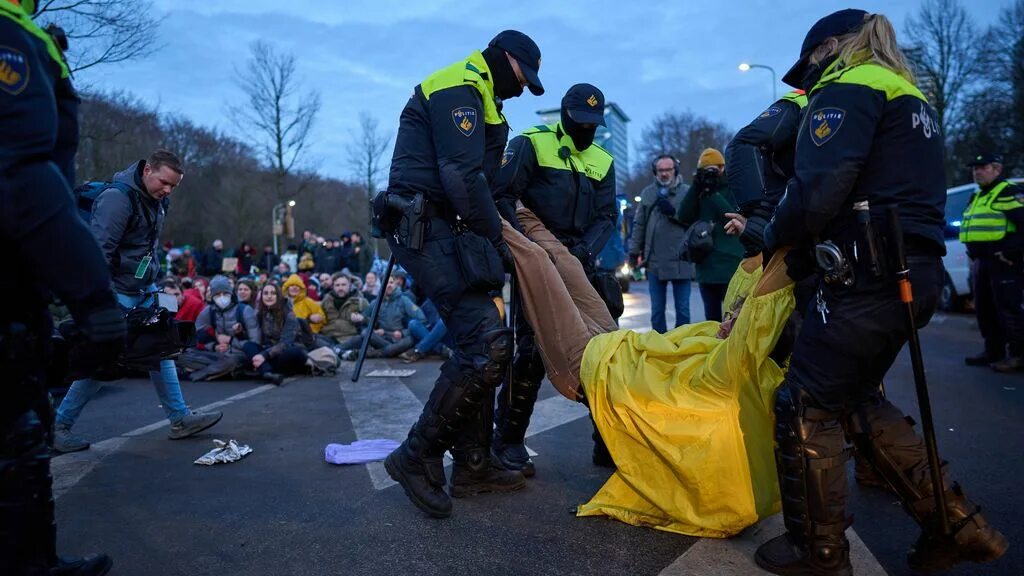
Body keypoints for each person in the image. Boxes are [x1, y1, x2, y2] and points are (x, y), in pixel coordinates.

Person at [750, 10, 1006, 575]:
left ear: (833, 47)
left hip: (861, 275)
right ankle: (959, 526)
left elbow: (817, 190)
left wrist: (772, 234)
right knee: (858, 401)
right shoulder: (911, 98)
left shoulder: (847, 88)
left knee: (804, 403)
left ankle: (817, 550)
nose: (808, 78)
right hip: (912, 273)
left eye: (811, 63)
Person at [500, 206, 795, 537]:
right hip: (613, 346)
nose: (727, 321)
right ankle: (520, 208)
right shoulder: (725, 339)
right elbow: (751, 283)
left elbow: (765, 300)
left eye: (735, 320)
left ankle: (486, 209)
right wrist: (754, 240)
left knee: (538, 264)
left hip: (586, 367)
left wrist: (794, 234)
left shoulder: (737, 365)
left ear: (755, 333)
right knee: (566, 262)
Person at [375, 29, 544, 518]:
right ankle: (415, 455)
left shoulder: (485, 97)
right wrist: (497, 239)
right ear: (506, 57)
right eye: (523, 76)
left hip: (450, 230)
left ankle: (472, 464)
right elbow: (460, 173)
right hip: (426, 228)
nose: (522, 86)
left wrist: (515, 233)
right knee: (486, 344)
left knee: (483, 344)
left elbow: (485, 182)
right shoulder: (459, 87)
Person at [1, 2, 126, 572]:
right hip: (10, 272)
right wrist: (92, 297)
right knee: (17, 438)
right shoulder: (12, 34)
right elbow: (21, 171)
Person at [53, 150, 223, 454]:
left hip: (142, 289)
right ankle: (58, 425)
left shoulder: (157, 201)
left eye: (174, 186)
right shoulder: (118, 200)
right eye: (164, 182)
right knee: (105, 362)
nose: (168, 190)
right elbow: (98, 253)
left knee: (161, 349)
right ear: (147, 170)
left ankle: (179, 417)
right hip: (116, 293)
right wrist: (103, 303)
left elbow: (145, 247)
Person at [491, 83, 619, 475]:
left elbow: (607, 215)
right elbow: (503, 197)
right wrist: (531, 251)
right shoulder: (531, 143)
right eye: (580, 123)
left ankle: (609, 439)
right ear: (564, 116)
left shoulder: (601, 159)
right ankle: (508, 438)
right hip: (540, 255)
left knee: (605, 348)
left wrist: (584, 253)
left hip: (581, 258)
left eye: (593, 125)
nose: (587, 131)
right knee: (530, 351)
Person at [959, 153, 1024, 372]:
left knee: (1008, 308)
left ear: (997, 169)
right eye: (975, 168)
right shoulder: (977, 196)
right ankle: (993, 351)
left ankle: (1018, 355)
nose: (977, 171)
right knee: (985, 310)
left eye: (982, 167)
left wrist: (1010, 253)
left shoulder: (1008, 191)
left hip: (1002, 263)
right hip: (981, 262)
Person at [724, 89, 808, 257]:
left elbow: (743, 144)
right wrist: (757, 218)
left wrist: (756, 215)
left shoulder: (807, 99)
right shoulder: (803, 100)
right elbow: (744, 145)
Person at [677, 148, 744, 322]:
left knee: (733, 318)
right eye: (706, 170)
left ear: (723, 169)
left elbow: (732, 216)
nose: (711, 174)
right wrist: (696, 186)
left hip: (731, 263)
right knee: (711, 320)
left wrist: (713, 194)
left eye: (714, 169)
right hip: (706, 265)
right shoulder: (699, 190)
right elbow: (683, 216)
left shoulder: (734, 187)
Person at [630, 154, 695, 332]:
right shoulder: (648, 193)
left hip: (682, 261)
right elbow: (639, 225)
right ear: (655, 172)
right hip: (655, 262)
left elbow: (695, 222)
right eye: (661, 170)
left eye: (668, 170)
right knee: (657, 312)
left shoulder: (687, 192)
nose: (665, 174)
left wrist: (673, 212)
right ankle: (660, 348)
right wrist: (634, 251)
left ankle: (683, 347)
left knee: (683, 311)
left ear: (675, 170)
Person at [191, 276, 260, 382]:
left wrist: (231, 341)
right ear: (212, 297)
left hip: (238, 354)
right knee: (184, 354)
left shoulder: (244, 310)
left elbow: (255, 343)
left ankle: (198, 373)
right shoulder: (209, 311)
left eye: (225, 294)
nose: (222, 297)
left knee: (232, 360)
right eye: (218, 295)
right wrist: (215, 347)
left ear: (231, 294)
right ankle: (221, 371)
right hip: (217, 354)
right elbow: (196, 333)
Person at [246, 284, 307, 384]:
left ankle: (263, 368)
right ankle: (267, 373)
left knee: (293, 352)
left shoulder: (289, 314)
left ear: (278, 296)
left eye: (273, 293)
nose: (269, 296)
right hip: (270, 351)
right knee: (249, 346)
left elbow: (286, 342)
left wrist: (264, 355)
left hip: (287, 350)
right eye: (265, 293)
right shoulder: (261, 313)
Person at [320, 274, 369, 344]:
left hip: (352, 339)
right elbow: (320, 319)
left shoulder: (361, 301)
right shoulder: (326, 300)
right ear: (333, 286)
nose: (340, 288)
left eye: (343, 285)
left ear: (349, 285)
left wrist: (363, 319)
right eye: (337, 285)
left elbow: (375, 322)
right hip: (328, 338)